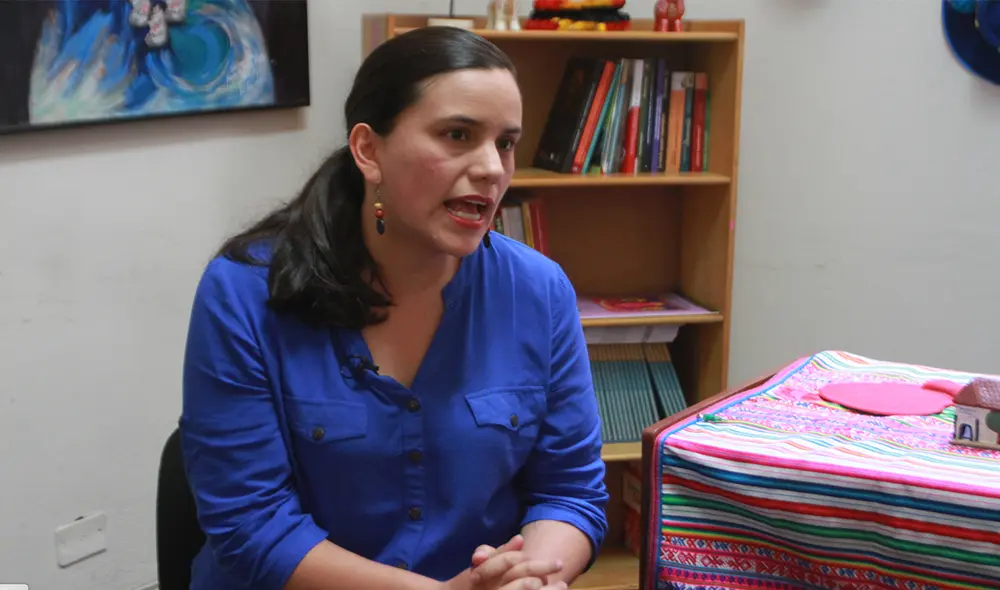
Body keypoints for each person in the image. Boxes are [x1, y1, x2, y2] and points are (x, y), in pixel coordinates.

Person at [179, 25, 609, 590]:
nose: (492, 168)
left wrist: (530, 575)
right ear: (368, 150)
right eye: (458, 134)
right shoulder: (243, 292)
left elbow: (569, 491)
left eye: (505, 142)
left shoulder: (538, 290)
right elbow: (250, 525)